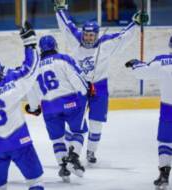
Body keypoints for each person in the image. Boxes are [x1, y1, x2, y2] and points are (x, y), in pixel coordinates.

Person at [53, 0, 149, 164]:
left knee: (96, 122)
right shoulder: (75, 39)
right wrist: (60, 9)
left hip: (100, 87)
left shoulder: (106, 43)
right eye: (86, 34)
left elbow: (123, 37)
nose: (88, 38)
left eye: (91, 35)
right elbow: (66, 25)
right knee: (75, 122)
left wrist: (135, 22)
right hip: (79, 87)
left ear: (96, 35)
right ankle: (72, 150)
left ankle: (91, 152)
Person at [0, 22, 44, 190]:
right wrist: (29, 43)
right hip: (20, 142)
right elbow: (31, 68)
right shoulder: (13, 83)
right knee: (36, 181)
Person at [25, 35, 88, 182]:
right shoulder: (63, 59)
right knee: (79, 131)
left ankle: (63, 167)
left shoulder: (35, 67)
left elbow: (31, 90)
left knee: (57, 139)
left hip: (49, 107)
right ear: (55, 46)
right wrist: (85, 91)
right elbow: (77, 79)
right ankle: (73, 157)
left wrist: (34, 107)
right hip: (70, 102)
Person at [125, 36, 172, 189]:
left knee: (165, 141)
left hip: (168, 109)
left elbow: (142, 73)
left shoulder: (162, 61)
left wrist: (135, 63)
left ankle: (164, 175)